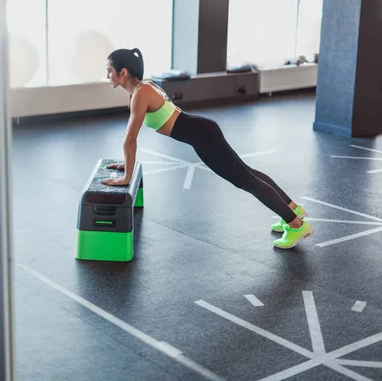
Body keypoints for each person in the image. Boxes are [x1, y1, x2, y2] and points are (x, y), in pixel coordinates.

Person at [101, 47, 314, 249]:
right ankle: (293, 209)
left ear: (123, 72)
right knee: (248, 173)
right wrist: (127, 164)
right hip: (202, 130)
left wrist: (127, 176)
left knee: (247, 181)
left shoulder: (140, 94)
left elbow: (130, 139)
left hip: (202, 135)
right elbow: (132, 139)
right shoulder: (143, 88)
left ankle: (296, 225)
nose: (107, 75)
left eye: (109, 71)